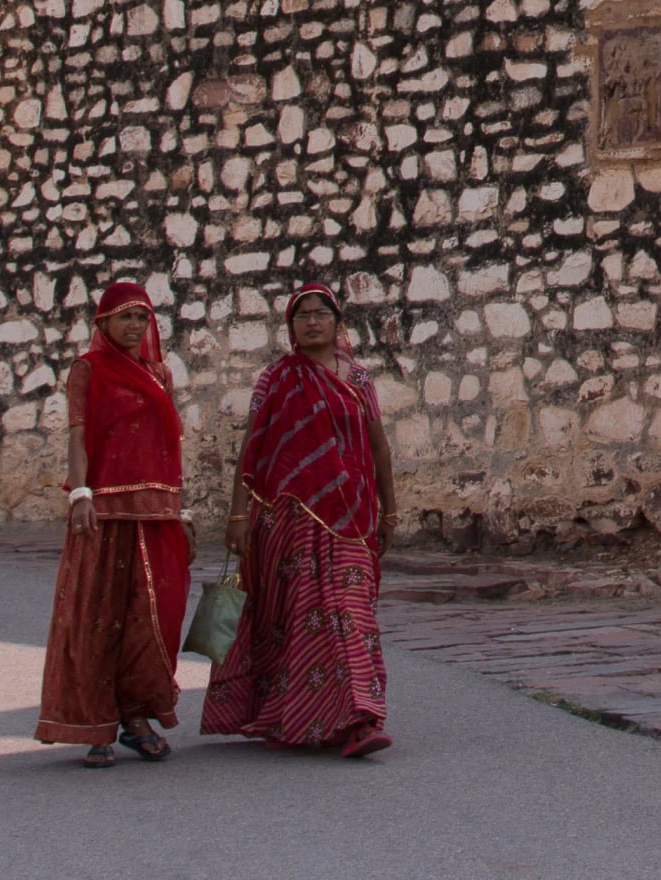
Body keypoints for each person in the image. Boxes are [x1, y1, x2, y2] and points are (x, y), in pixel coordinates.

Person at [201, 283, 394, 757]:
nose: (311, 321)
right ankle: (298, 716)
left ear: (337, 321)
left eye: (321, 313)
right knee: (293, 620)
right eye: (301, 315)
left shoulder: (359, 380)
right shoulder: (275, 379)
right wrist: (237, 514)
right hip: (285, 522)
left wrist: (389, 510)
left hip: (350, 519)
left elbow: (378, 447)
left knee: (350, 615)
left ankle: (359, 719)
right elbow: (253, 445)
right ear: (290, 327)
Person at [38, 279, 191, 767]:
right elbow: (79, 435)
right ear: (103, 323)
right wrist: (80, 494)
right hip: (103, 509)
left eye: (142, 316)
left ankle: (136, 716)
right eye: (124, 316)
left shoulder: (160, 374)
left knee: (153, 619)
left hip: (156, 510)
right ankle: (97, 726)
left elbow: (168, 445)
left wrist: (179, 508)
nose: (134, 325)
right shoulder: (88, 370)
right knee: (97, 616)